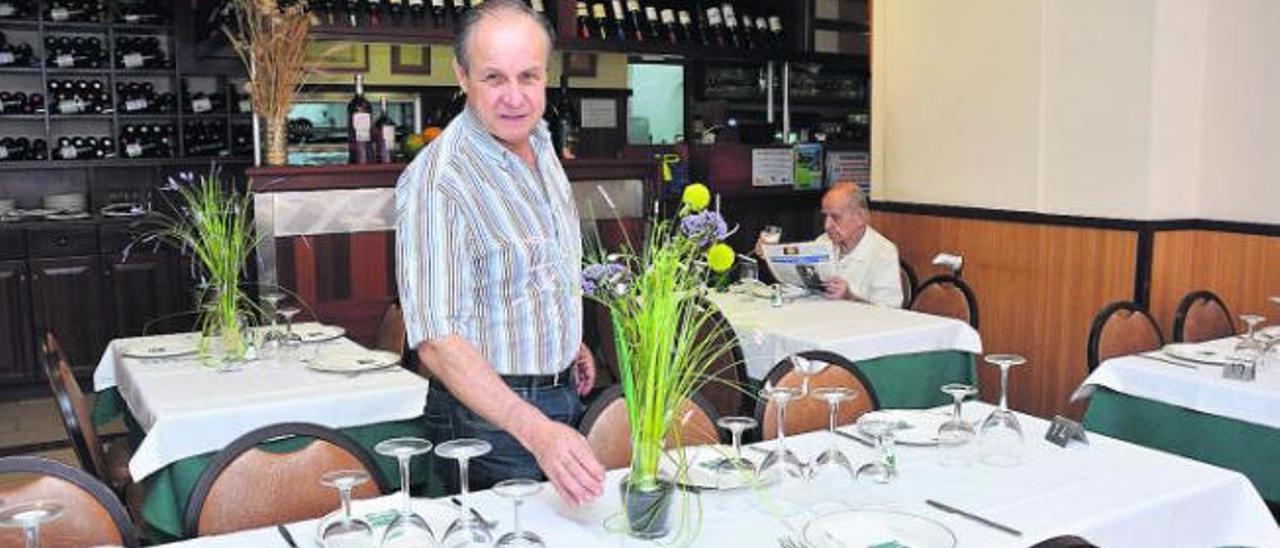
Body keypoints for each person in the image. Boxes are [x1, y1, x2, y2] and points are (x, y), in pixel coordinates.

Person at [394, 0, 604, 506]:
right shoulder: (438, 181)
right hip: (488, 421)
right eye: (494, 78)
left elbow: (531, 265)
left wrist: (565, 337)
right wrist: (537, 430)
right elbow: (438, 341)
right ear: (461, 76)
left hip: (559, 398)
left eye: (529, 77)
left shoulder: (543, 139)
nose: (515, 97)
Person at [758, 182, 903, 307]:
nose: (827, 225)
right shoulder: (823, 241)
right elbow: (798, 287)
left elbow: (890, 310)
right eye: (825, 216)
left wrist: (850, 296)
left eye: (835, 217)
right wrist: (771, 256)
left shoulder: (883, 251)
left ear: (860, 217)